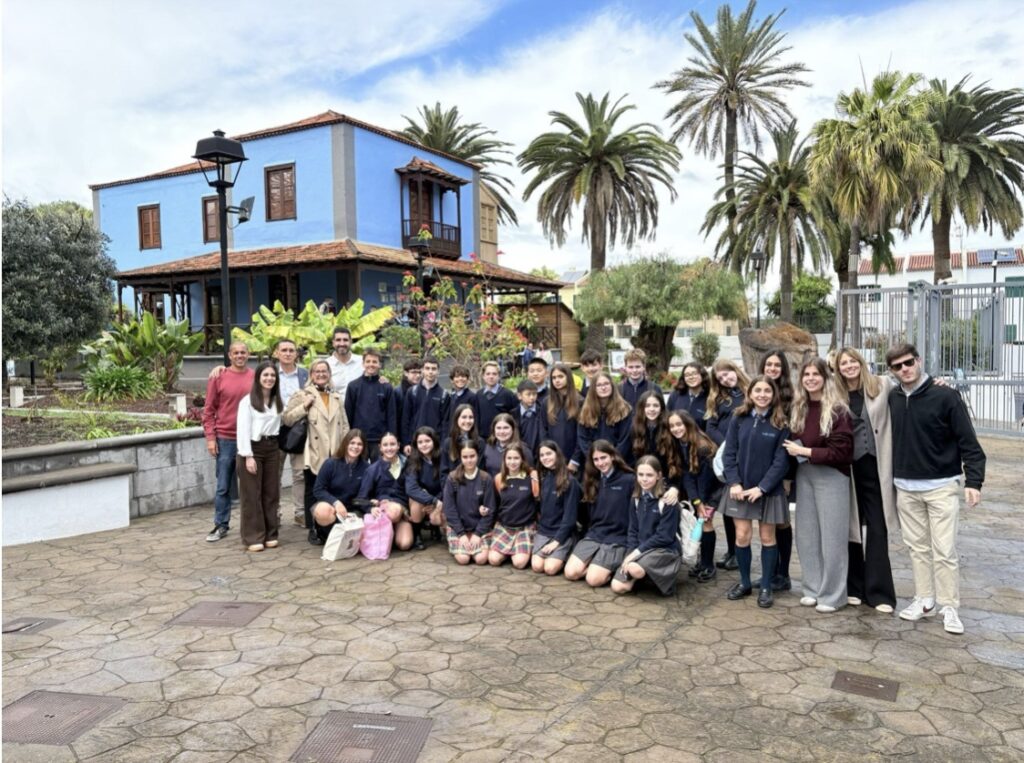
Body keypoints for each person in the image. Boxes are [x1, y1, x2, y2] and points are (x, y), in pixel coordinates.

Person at [885, 342, 985, 634]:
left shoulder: (946, 396)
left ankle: (949, 606)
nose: (904, 369)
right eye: (897, 366)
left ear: (918, 360)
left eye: (908, 363)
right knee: (917, 548)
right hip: (905, 487)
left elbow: (969, 443)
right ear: (891, 371)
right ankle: (925, 599)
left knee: (944, 549)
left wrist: (974, 482)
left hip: (941, 486)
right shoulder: (892, 397)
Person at [833, 346, 902, 613]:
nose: (849, 366)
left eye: (852, 361)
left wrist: (941, 384)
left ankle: (880, 592)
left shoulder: (883, 384)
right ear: (838, 368)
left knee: (877, 526)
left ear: (861, 362)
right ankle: (855, 588)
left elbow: (910, 394)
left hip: (876, 466)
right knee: (850, 528)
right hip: (848, 469)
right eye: (843, 363)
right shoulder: (836, 393)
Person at [784, 358, 854, 614]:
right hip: (805, 475)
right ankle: (812, 589)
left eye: (816, 374)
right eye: (807, 374)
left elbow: (843, 452)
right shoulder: (799, 407)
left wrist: (805, 450)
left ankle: (833, 595)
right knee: (807, 536)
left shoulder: (838, 410)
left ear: (825, 378)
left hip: (832, 476)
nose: (811, 378)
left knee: (832, 538)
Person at [720, 376, 791, 608]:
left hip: (767, 491)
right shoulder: (738, 418)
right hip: (740, 489)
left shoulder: (781, 422)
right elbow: (729, 453)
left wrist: (762, 488)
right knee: (742, 536)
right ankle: (744, 582)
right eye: (757, 390)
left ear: (774, 394)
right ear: (750, 393)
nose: (762, 394)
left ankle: (767, 586)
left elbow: (781, 462)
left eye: (767, 391)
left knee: (768, 537)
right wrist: (734, 483)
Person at [282, 359, 349, 545]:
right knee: (312, 491)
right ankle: (313, 529)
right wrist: (304, 406)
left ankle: (330, 525)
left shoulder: (336, 397)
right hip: (313, 452)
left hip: (334, 452)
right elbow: (287, 419)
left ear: (329, 374)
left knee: (332, 490)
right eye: (317, 371)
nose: (321, 374)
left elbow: (344, 425)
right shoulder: (302, 394)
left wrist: (345, 450)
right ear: (311, 375)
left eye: (324, 371)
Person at [202, 341, 255, 542]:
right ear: (230, 355)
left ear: (248, 354)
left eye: (243, 352)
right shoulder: (219, 376)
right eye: (236, 353)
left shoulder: (255, 377)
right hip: (225, 439)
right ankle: (221, 524)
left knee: (250, 487)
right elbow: (208, 410)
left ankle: (251, 525)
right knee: (223, 486)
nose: (240, 355)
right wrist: (210, 438)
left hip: (249, 441)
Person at [564, 439, 635, 587]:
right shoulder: (592, 480)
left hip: (617, 538)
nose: (600, 463)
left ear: (613, 456)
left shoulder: (629, 480)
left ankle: (608, 570)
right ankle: (597, 565)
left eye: (603, 457)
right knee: (570, 573)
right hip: (595, 535)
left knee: (593, 580)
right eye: (596, 459)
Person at [611, 456, 682, 596]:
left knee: (634, 568)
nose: (644, 479)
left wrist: (635, 554)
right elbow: (632, 530)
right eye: (640, 474)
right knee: (617, 586)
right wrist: (630, 553)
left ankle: (660, 577)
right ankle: (645, 576)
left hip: (664, 549)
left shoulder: (667, 500)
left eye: (649, 475)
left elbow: (664, 537)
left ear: (658, 475)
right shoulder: (636, 498)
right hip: (642, 548)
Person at [705, 358, 750, 570]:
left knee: (744, 508)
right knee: (729, 508)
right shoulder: (718, 398)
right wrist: (728, 444)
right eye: (720, 377)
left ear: (735, 369)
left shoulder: (751, 391)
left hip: (749, 455)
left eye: (727, 373)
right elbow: (711, 426)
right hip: (727, 456)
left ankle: (742, 550)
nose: (725, 378)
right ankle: (731, 551)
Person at [667, 410, 719, 583]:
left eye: (679, 424)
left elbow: (705, 480)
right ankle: (702, 562)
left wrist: (700, 502)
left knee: (705, 521)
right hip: (699, 488)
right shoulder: (681, 443)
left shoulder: (702, 446)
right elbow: (687, 475)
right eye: (672, 425)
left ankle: (708, 565)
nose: (675, 428)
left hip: (713, 490)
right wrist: (695, 500)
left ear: (688, 424)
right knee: (700, 520)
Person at [759, 349, 797, 593]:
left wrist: (787, 477)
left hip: (783, 469)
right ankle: (770, 572)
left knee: (781, 521)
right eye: (768, 364)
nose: (772, 369)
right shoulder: (758, 390)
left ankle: (783, 574)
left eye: (776, 365)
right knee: (766, 523)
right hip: (761, 470)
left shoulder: (790, 398)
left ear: (782, 369)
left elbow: (792, 436)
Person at [236, 362, 284, 552]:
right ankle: (253, 536)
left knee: (271, 492)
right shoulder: (247, 402)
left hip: (272, 448)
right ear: (258, 378)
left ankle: (271, 534)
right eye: (265, 375)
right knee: (252, 495)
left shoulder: (277, 402)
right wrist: (248, 456)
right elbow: (242, 430)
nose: (269, 378)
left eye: (272, 375)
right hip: (252, 449)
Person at [271, 338, 309, 527]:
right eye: (283, 350)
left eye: (291, 350)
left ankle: (300, 513)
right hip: (274, 429)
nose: (287, 353)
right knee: (274, 474)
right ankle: (275, 513)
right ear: (277, 353)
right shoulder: (270, 373)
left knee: (299, 473)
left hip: (298, 430)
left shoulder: (304, 375)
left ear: (296, 354)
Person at [442, 438, 497, 565]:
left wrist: (478, 534)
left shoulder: (485, 478)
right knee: (463, 559)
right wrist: (461, 534)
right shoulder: (452, 478)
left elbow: (490, 510)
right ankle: (461, 544)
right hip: (458, 528)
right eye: (465, 457)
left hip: (479, 528)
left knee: (481, 559)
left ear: (478, 456)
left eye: (472, 456)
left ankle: (476, 542)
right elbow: (449, 510)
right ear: (460, 457)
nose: (469, 460)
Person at [311, 429, 370, 542]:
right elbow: (318, 490)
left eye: (359, 444)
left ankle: (341, 538)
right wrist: (336, 503)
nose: (355, 447)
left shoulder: (366, 468)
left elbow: (365, 495)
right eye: (352, 443)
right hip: (332, 506)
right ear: (345, 444)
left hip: (353, 510)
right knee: (323, 511)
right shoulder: (331, 463)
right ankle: (324, 534)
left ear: (363, 447)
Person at [531, 441, 581, 576]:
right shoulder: (544, 477)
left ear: (557, 454)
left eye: (549, 453)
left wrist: (556, 542)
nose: (545, 458)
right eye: (542, 455)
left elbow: (570, 519)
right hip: (544, 531)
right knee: (537, 566)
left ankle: (568, 553)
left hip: (562, 533)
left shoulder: (570, 481)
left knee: (550, 568)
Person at [487, 444, 540, 569]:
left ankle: (517, 551)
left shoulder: (531, 477)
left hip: (525, 527)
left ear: (522, 459)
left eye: (516, 458)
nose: (512, 462)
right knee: (494, 560)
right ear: (504, 460)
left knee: (519, 563)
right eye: (509, 458)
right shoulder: (499, 478)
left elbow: (538, 502)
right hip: (504, 526)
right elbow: (494, 504)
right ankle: (509, 550)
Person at [357, 432, 413, 551]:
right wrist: (371, 508)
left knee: (405, 544)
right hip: (385, 510)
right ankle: (383, 533)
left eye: (392, 444)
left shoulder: (407, 465)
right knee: (394, 511)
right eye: (385, 445)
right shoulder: (372, 469)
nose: (389, 448)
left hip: (402, 511)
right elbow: (361, 498)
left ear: (398, 446)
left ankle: (391, 534)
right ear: (380, 447)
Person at [344, 349, 398, 460]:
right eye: (368, 361)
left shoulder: (386, 387)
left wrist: (391, 438)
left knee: (380, 472)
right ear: (363, 364)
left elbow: (391, 415)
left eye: (374, 362)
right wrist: (348, 437)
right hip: (358, 439)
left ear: (380, 365)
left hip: (380, 439)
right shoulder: (353, 386)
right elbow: (348, 414)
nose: (371, 364)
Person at [575, 371, 632, 469]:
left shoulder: (625, 409)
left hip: (619, 463)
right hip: (593, 464)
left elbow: (625, 440)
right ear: (593, 389)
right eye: (599, 385)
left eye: (606, 384)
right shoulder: (585, 410)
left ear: (612, 386)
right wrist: (597, 460)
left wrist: (611, 460)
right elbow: (583, 439)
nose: (603, 387)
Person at [405, 426, 445, 550]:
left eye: (427, 441)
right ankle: (416, 534)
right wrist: (432, 500)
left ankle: (436, 527)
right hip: (423, 499)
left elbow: (448, 483)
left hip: (440, 498)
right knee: (416, 502)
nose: (424, 445)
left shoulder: (443, 457)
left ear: (434, 441)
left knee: (442, 514)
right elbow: (411, 488)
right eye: (420, 442)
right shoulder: (412, 460)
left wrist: (437, 501)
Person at [401, 356, 450, 451]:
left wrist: (443, 445)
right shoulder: (412, 392)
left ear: (438, 371)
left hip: (435, 444)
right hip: (415, 442)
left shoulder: (444, 395)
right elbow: (406, 419)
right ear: (422, 370)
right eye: (427, 368)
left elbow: (445, 423)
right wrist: (406, 442)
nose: (430, 372)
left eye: (434, 369)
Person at [545, 363, 584, 474]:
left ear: (568, 377)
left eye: (561, 377)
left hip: (574, 459)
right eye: (554, 378)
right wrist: (548, 455)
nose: (557, 380)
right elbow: (543, 430)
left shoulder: (580, 402)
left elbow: (583, 434)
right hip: (553, 458)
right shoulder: (546, 402)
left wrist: (575, 460)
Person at [630, 390, 672, 470]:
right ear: (641, 408)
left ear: (662, 408)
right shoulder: (634, 428)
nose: (652, 409)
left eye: (656, 406)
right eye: (647, 406)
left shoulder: (668, 427)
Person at [443, 403, 487, 478]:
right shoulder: (448, 443)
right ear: (457, 419)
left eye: (471, 417)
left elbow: (479, 469)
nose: (468, 421)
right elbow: (443, 471)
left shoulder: (480, 442)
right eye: (464, 417)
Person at [477, 361, 518, 438]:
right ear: (483, 376)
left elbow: (515, 418)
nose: (491, 376)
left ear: (499, 376)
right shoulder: (479, 395)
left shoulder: (508, 394)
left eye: (494, 374)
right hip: (483, 439)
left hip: (503, 437)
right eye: (488, 374)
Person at [667, 362, 709, 428]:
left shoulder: (710, 397)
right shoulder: (675, 395)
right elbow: (667, 418)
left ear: (702, 375)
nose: (691, 377)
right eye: (687, 375)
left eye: (694, 374)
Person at [512, 379, 546, 458]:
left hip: (540, 454)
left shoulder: (542, 411)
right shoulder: (513, 414)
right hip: (521, 454)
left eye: (534, 394)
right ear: (519, 396)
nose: (532, 397)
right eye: (528, 394)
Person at [326, 327, 362, 399]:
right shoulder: (326, 365)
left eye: (345, 340)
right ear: (333, 343)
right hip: (336, 408)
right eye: (338, 340)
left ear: (350, 342)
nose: (342, 343)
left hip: (359, 409)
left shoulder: (362, 362)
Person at [446, 365, 479, 432]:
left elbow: (476, 417)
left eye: (463, 376)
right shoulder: (450, 396)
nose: (460, 379)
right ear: (452, 380)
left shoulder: (472, 397)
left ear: (467, 379)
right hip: (452, 432)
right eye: (457, 377)